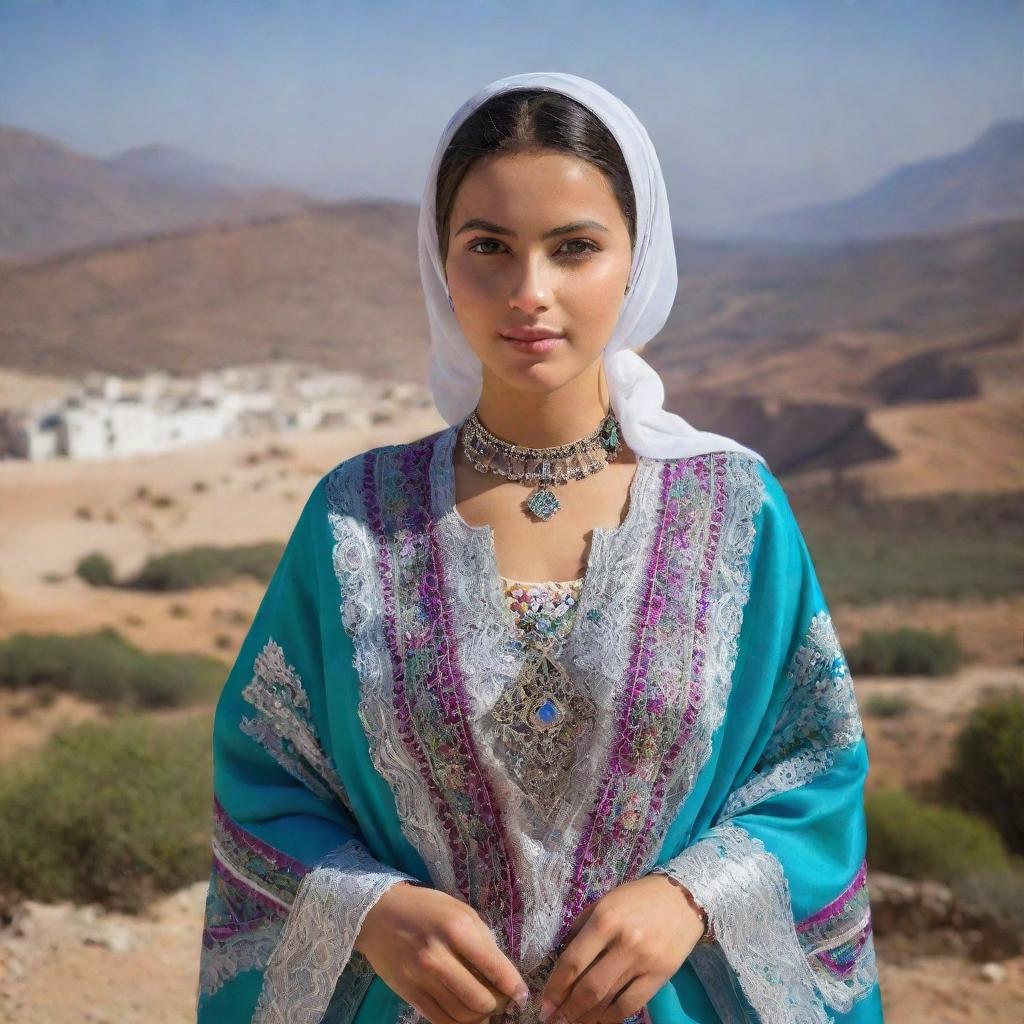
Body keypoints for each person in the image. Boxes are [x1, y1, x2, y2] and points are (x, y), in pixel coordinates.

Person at [195, 72, 884, 1024]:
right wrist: (372, 911)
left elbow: (815, 764)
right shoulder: (355, 517)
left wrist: (693, 898)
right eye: (489, 247)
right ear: (441, 262)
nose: (531, 293)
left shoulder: (733, 510)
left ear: (636, 260)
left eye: (575, 248)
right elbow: (266, 776)